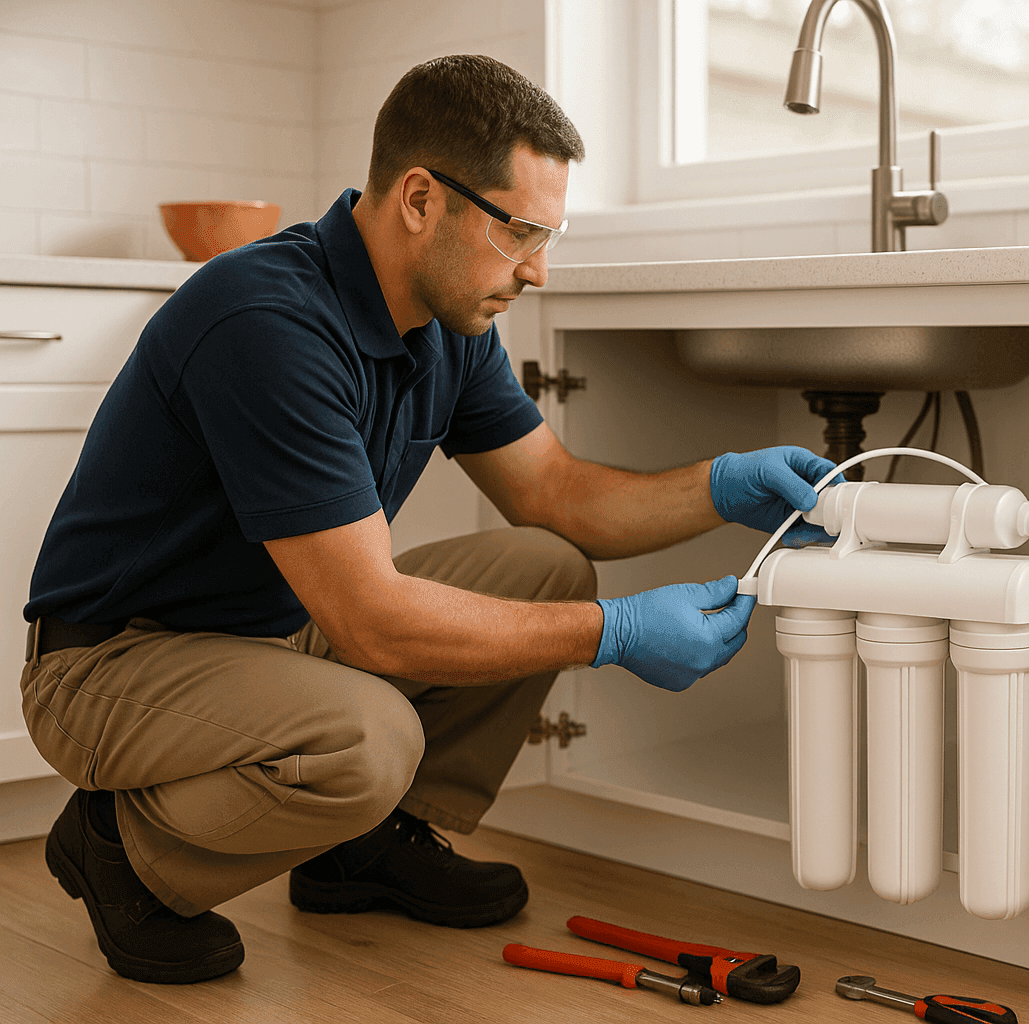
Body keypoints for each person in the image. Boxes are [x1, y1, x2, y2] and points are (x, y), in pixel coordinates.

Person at [18, 54, 838, 986]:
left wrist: (722, 488)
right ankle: (122, 850)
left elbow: (554, 494)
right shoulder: (266, 319)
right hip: (111, 661)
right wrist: (613, 634)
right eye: (520, 231)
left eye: (549, 236)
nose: (537, 271)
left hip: (273, 634)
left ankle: (363, 851)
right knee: (371, 737)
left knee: (547, 566)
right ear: (420, 199)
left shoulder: (451, 323)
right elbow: (371, 620)